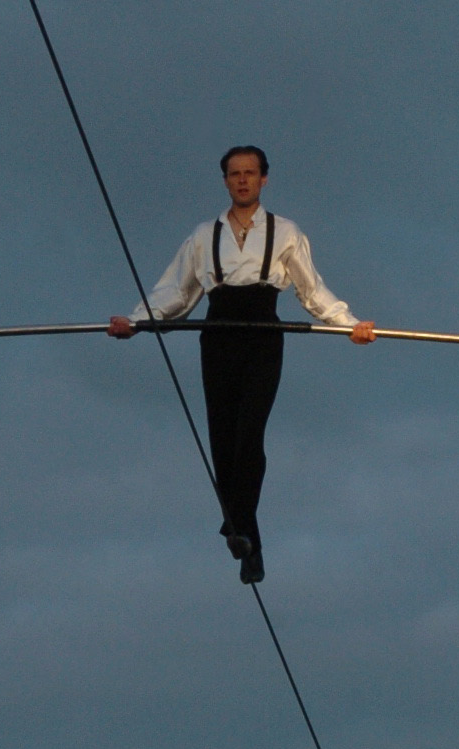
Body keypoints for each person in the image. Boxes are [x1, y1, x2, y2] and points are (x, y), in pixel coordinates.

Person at [109, 146, 373, 584]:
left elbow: (313, 290)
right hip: (218, 335)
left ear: (264, 179)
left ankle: (240, 527)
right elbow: (175, 291)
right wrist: (134, 321)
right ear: (226, 181)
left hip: (263, 334)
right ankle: (245, 536)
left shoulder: (285, 232)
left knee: (249, 434)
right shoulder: (202, 236)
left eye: (250, 173)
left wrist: (348, 324)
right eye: (235, 174)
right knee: (222, 437)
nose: (243, 180)